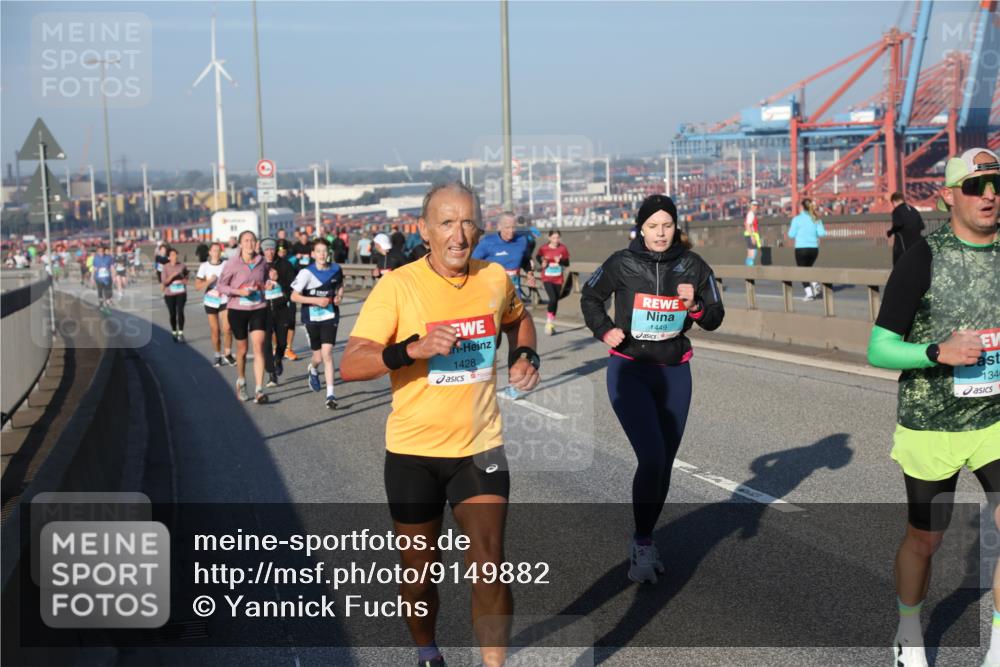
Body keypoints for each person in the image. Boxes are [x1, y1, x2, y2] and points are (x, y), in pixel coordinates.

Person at [341, 182, 539, 667]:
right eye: (447, 223)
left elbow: (518, 318)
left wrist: (525, 353)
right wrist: (410, 350)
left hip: (480, 444)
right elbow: (351, 363)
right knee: (419, 572)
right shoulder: (398, 286)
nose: (459, 234)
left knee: (490, 564)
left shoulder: (494, 278)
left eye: (468, 221)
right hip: (413, 454)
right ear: (425, 231)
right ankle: (428, 652)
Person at [866, 148, 1000, 667]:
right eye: (975, 186)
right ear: (948, 196)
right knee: (926, 538)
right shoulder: (922, 257)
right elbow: (879, 348)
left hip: (995, 419)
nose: (989, 195)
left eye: (996, 184)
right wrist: (936, 352)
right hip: (932, 421)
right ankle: (908, 629)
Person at [581, 194, 725, 585]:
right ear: (640, 228)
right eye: (653, 226)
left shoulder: (693, 265)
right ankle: (643, 543)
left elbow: (715, 317)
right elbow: (590, 296)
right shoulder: (621, 262)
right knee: (652, 456)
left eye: (667, 225)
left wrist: (694, 307)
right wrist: (604, 329)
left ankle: (644, 534)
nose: (661, 233)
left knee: (664, 464)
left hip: (675, 371)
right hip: (630, 370)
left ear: (676, 227)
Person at [217, 230, 271, 404]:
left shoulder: (262, 261)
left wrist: (267, 285)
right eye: (246, 240)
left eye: (252, 240)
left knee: (259, 346)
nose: (249, 244)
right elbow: (221, 286)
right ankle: (241, 380)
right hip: (237, 309)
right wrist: (239, 291)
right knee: (242, 350)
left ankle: (259, 390)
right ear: (240, 244)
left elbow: (265, 280)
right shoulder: (232, 263)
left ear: (256, 243)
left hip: (258, 307)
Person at [291, 238, 344, 409]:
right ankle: (312, 368)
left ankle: (330, 395)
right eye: (318, 251)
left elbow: (340, 285)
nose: (322, 254)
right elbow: (294, 296)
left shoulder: (336, 269)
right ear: (313, 254)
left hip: (330, 316)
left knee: (327, 353)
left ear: (328, 253)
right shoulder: (306, 273)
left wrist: (339, 297)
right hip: (311, 318)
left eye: (324, 251)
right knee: (318, 357)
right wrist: (315, 300)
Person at [472, 211, 535, 302]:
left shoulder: (522, 241)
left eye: (513, 227)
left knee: (518, 315)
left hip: (514, 292)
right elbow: (472, 264)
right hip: (492, 294)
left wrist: (529, 274)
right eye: (507, 227)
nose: (511, 231)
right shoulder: (487, 242)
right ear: (499, 227)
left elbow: (525, 260)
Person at [260, 237, 297, 386]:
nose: (269, 252)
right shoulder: (258, 265)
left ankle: (278, 359)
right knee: (267, 342)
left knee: (282, 342)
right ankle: (271, 373)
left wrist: (278, 280)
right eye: (266, 249)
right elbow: (251, 284)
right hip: (264, 309)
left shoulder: (285, 265)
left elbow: (293, 285)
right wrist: (263, 286)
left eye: (271, 249)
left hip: (282, 307)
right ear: (262, 251)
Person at [196, 242, 234, 366]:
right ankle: (217, 355)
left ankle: (228, 354)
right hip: (211, 301)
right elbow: (197, 286)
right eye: (214, 250)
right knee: (215, 330)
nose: (216, 253)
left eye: (218, 250)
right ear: (210, 252)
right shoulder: (204, 266)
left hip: (224, 299)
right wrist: (209, 281)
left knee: (227, 328)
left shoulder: (226, 265)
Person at [787, 198, 827, 300]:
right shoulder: (816, 218)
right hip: (814, 249)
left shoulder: (797, 219)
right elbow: (822, 233)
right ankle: (814, 283)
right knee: (808, 269)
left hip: (801, 248)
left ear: (802, 207)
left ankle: (809, 294)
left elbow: (791, 235)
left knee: (802, 271)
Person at [536, 229, 571, 335]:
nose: (556, 240)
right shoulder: (543, 248)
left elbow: (567, 263)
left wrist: (560, 261)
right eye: (554, 238)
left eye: (558, 238)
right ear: (549, 238)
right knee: (553, 298)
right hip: (547, 277)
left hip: (558, 278)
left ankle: (550, 322)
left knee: (555, 300)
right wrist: (542, 262)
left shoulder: (562, 249)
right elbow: (538, 256)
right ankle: (548, 322)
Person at [888, 191, 926, 265]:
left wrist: (890, 232)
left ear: (894, 201)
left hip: (903, 246)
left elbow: (898, 225)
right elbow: (922, 226)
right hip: (917, 245)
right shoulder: (914, 210)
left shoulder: (897, 211)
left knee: (899, 266)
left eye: (893, 204)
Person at [160, 248, 190, 342]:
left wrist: (184, 280)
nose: (175, 256)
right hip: (169, 294)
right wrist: (173, 276)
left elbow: (186, 278)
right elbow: (164, 282)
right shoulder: (165, 267)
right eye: (172, 255)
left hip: (181, 292)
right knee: (172, 314)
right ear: (169, 257)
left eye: (176, 254)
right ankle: (174, 331)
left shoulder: (182, 266)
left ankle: (180, 333)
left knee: (180, 312)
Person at [92, 245, 115, 311]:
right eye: (99, 251)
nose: (101, 252)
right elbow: (94, 268)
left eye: (102, 251)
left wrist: (114, 276)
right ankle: (101, 305)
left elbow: (112, 267)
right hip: (98, 278)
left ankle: (107, 304)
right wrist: (92, 278)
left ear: (104, 251)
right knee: (100, 292)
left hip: (107, 278)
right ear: (97, 252)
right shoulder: (95, 258)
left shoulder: (109, 258)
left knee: (108, 292)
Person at [743, 199, 762, 266]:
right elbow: (748, 225)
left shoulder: (751, 214)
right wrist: (752, 237)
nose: (755, 206)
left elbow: (746, 224)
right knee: (752, 255)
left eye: (756, 205)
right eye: (753, 205)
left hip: (750, 235)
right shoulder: (751, 214)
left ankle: (748, 271)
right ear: (750, 206)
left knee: (750, 255)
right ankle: (749, 271)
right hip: (751, 235)